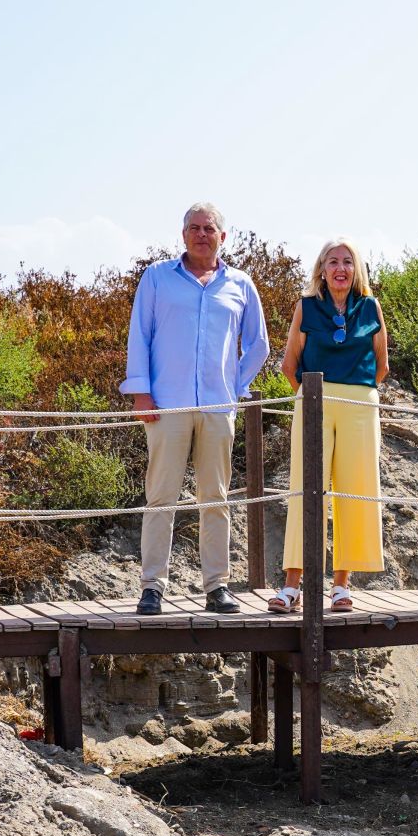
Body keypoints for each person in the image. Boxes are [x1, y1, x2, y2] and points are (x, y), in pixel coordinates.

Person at [120, 202, 269, 616]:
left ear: (223, 236)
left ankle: (217, 587)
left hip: (218, 407)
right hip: (166, 406)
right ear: (182, 234)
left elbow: (259, 344)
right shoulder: (156, 278)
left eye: (209, 228)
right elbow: (140, 335)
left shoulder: (240, 283)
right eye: (194, 228)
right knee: (161, 497)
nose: (201, 234)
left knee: (215, 498)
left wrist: (234, 387)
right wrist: (141, 393)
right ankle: (152, 588)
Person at [269, 238, 388, 613]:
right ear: (321, 269)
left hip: (359, 405)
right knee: (306, 488)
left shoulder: (371, 307)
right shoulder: (306, 308)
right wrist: (311, 396)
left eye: (347, 261)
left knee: (354, 490)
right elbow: (290, 365)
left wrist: (353, 392)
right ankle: (292, 585)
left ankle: (341, 586)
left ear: (357, 270)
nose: (340, 268)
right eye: (332, 261)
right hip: (314, 401)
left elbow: (381, 365)